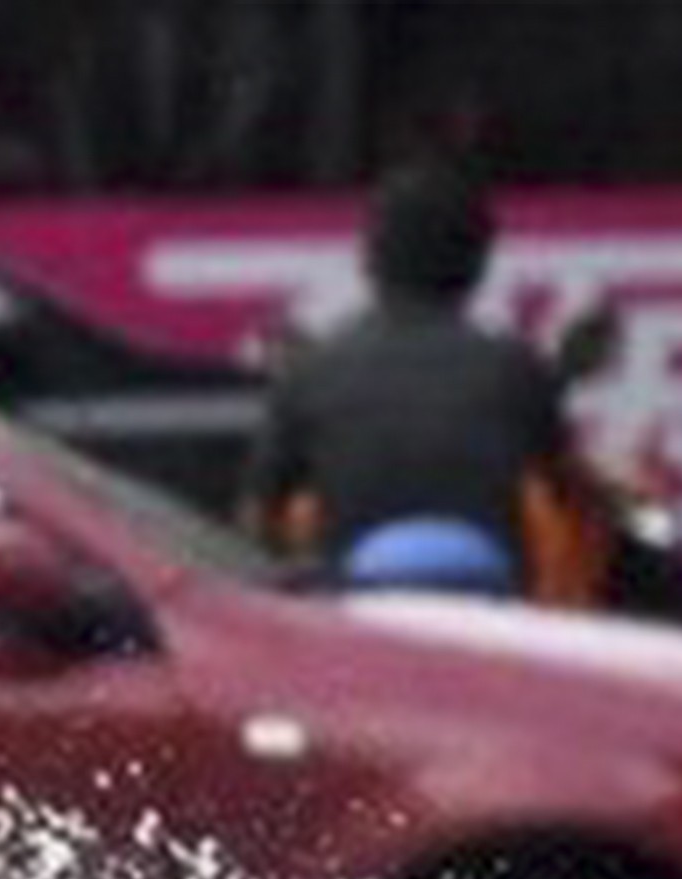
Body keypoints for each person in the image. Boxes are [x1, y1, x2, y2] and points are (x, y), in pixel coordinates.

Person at [241, 157, 590, 599]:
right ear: (479, 262)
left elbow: (259, 518)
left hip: (354, 618)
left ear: (369, 257)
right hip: (494, 618)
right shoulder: (516, 369)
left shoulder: (313, 371)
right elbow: (564, 491)